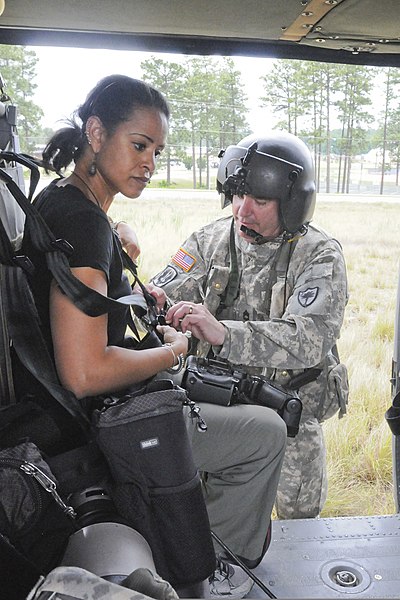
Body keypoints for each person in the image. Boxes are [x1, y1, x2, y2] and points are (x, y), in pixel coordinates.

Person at [19, 75, 286, 599]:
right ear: (95, 133)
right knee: (266, 433)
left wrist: (130, 278)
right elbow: (83, 372)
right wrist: (173, 349)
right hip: (99, 426)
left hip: (66, 417)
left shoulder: (59, 201)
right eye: (138, 145)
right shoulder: (86, 223)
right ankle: (207, 569)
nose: (149, 162)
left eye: (157, 150)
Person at [152, 131, 349, 521]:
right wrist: (157, 304)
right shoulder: (209, 240)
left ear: (293, 204)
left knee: (299, 521)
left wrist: (223, 334)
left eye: (259, 201)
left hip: (288, 411)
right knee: (211, 519)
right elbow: (166, 294)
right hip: (220, 409)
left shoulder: (319, 255)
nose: (243, 211)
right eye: (238, 196)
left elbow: (308, 340)